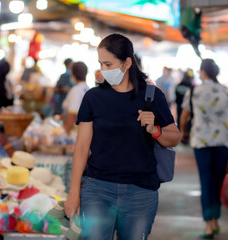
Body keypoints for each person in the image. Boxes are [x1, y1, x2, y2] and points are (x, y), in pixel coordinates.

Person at [64, 33, 180, 240]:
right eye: (101, 64)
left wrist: (155, 130)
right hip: (97, 188)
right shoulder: (93, 98)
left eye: (108, 64)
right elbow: (81, 147)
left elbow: (174, 138)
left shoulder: (152, 96)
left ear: (127, 63)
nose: (104, 70)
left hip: (141, 192)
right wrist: (74, 193)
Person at [179, 59, 228, 239]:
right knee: (217, 183)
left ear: (202, 72)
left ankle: (209, 224)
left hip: (202, 143)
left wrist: (183, 131)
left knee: (206, 183)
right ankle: (215, 220)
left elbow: (184, 116)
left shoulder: (194, 91)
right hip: (223, 143)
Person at [62, 62, 90, 134]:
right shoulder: (87, 89)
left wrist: (62, 131)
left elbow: (73, 115)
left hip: (75, 132)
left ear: (73, 74)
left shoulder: (76, 90)